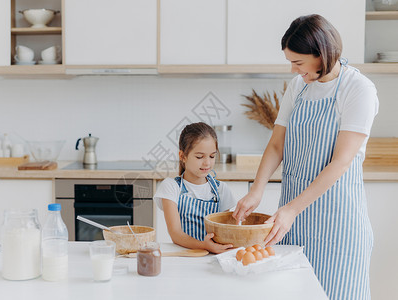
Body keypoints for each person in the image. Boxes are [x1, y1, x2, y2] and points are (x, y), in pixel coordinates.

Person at [232, 14, 378, 300]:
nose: (293, 70)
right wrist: (256, 190)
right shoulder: (299, 87)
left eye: (298, 62)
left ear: (322, 54)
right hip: (294, 224)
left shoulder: (358, 90)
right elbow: (277, 145)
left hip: (338, 227)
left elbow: (341, 162)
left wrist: (291, 210)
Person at [154, 122, 237, 254]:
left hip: (214, 257)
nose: (207, 163)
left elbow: (224, 231)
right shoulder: (171, 187)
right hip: (185, 258)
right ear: (183, 156)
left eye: (212, 156)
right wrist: (204, 245)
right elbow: (175, 234)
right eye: (199, 157)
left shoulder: (221, 189)